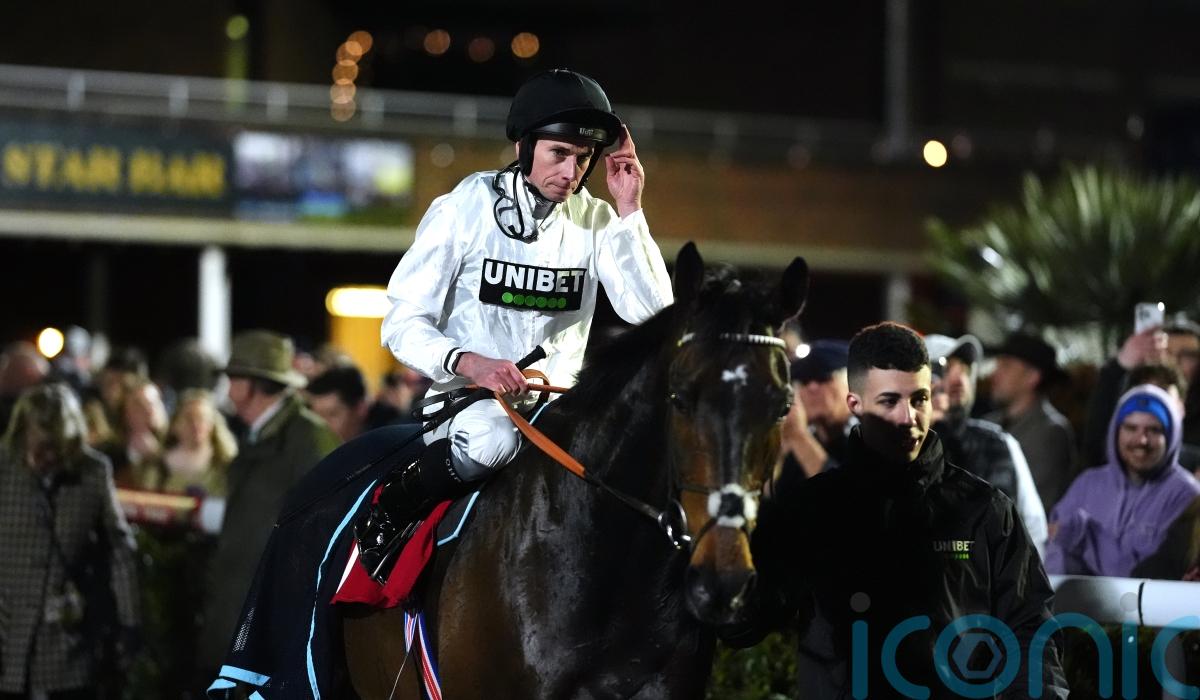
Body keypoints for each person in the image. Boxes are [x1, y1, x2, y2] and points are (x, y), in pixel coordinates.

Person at [355, 68, 673, 578]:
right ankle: (397, 503)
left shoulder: (597, 219)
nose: (571, 172)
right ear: (524, 146)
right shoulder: (463, 208)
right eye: (559, 154)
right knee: (493, 440)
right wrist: (469, 362)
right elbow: (401, 321)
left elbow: (654, 316)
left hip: (559, 409)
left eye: (583, 158)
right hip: (470, 406)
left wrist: (630, 208)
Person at [726, 322, 1066, 699]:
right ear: (855, 405)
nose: (909, 418)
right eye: (890, 401)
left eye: (919, 399)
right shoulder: (811, 509)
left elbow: (1030, 628)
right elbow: (743, 621)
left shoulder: (984, 509)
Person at [196, 330, 339, 678]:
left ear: (250, 385)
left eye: (233, 379)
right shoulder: (260, 434)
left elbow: (324, 528)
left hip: (273, 622)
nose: (228, 388)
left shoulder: (308, 438)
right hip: (243, 610)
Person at [0, 383, 140, 698]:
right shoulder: (4, 468)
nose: (45, 457)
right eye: (37, 446)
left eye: (54, 447)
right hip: (5, 630)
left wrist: (130, 622)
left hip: (66, 639)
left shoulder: (92, 471)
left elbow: (119, 550)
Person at [1044, 384, 1200, 577]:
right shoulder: (1087, 484)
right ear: (1115, 432)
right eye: (1131, 428)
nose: (1141, 440)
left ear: (1171, 436)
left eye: (1154, 430)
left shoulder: (1187, 496)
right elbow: (1050, 561)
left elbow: (1155, 573)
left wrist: (1086, 536)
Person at [924, 334, 1048, 555]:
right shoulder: (896, 445)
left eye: (965, 369)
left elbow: (1034, 531)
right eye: (946, 368)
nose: (959, 379)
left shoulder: (1000, 444)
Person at [984, 332, 1077, 514]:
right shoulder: (988, 424)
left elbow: (1036, 508)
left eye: (1006, 365)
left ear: (1032, 377)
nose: (995, 373)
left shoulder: (1050, 433)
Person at [778, 340, 853, 480]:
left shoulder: (875, 435)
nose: (812, 388)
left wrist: (799, 437)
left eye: (823, 378)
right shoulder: (802, 445)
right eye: (804, 381)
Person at [142, 388, 237, 497]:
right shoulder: (158, 467)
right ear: (175, 424)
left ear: (212, 424)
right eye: (189, 418)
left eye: (201, 418)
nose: (195, 425)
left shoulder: (226, 464)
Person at [306, 364, 402, 442]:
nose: (321, 424)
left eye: (332, 414)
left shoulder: (391, 442)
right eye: (316, 416)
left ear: (360, 408)